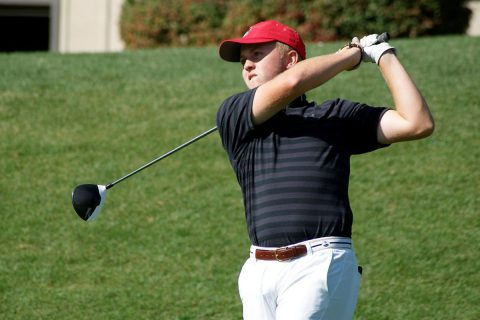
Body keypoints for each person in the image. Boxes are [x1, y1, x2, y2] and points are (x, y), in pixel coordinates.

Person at [216, 20, 434, 320]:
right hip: (258, 272)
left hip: (319, 264)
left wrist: (382, 54)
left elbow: (417, 122)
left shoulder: (334, 117)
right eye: (243, 61)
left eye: (256, 55)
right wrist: (351, 55)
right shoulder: (234, 114)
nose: (247, 66)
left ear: (291, 60)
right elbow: (293, 83)